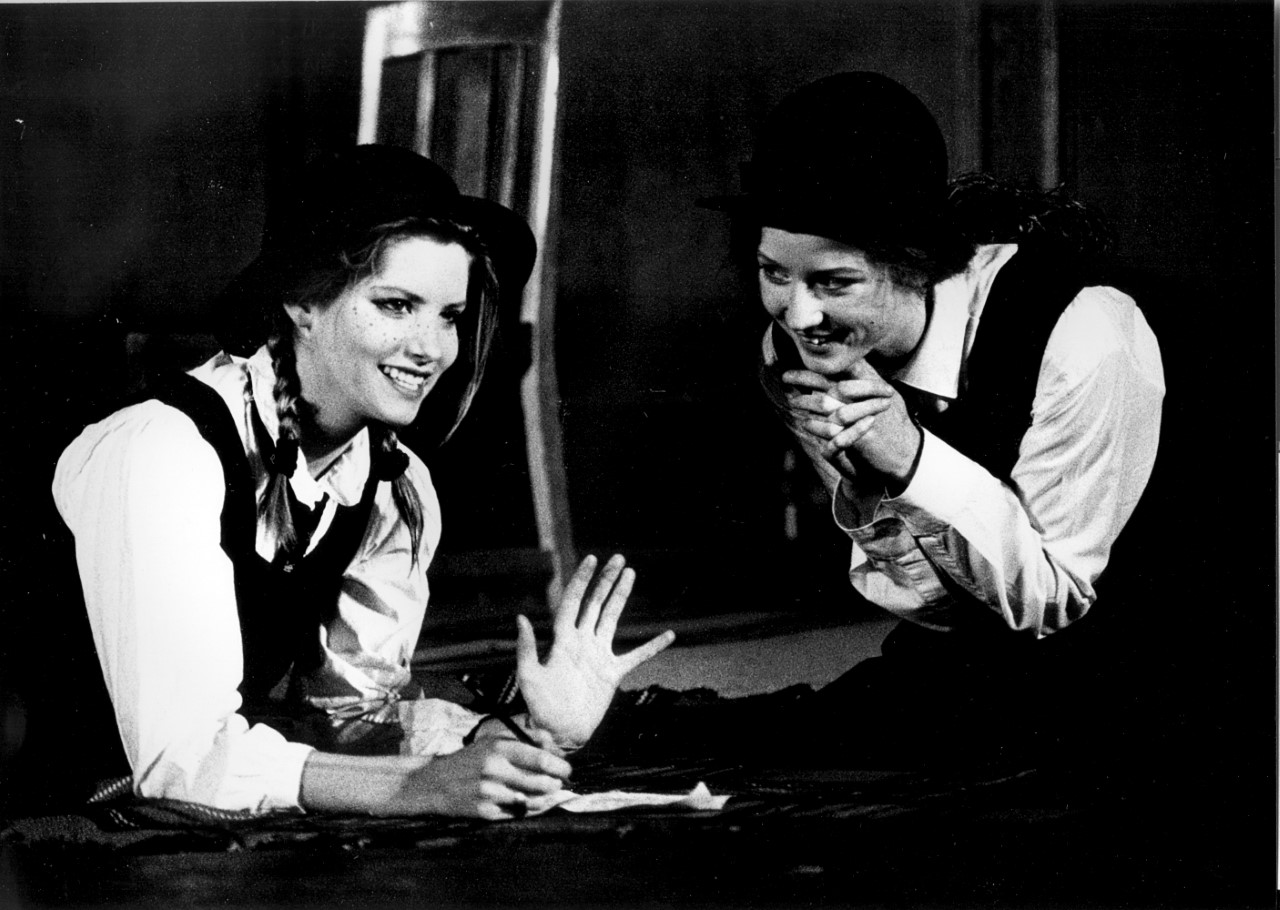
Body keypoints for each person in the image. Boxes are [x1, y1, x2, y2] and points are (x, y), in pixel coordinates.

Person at [50, 145, 674, 817]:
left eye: (449, 315)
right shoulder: (166, 452)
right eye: (397, 305)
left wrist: (528, 733)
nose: (431, 348)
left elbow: (345, 720)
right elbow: (183, 757)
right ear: (302, 302)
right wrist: (413, 787)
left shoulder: (394, 489)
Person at [699, 72, 1165, 767]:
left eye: (834, 282)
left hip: (1146, 650)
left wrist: (911, 461)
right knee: (772, 748)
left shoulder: (1083, 333)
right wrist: (871, 484)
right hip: (978, 658)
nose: (798, 316)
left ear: (915, 263)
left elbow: (1051, 605)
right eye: (775, 274)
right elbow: (939, 613)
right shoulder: (793, 355)